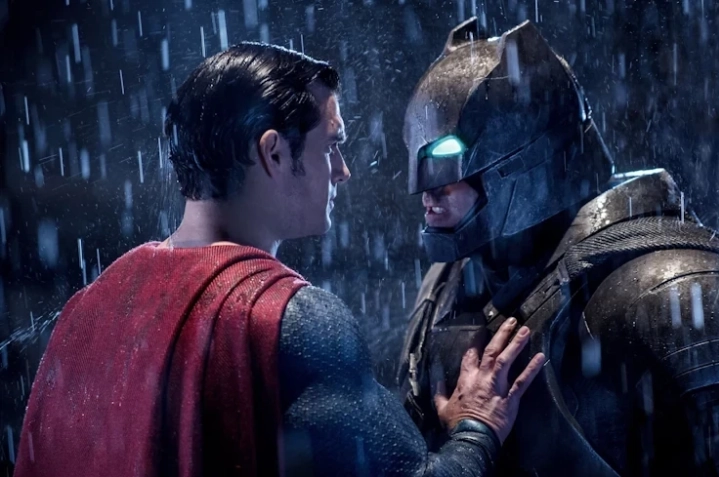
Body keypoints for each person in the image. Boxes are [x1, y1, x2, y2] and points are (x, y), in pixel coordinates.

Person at [13, 42, 545, 477]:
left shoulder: (87, 308)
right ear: (272, 153)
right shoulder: (288, 320)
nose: (342, 172)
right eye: (330, 146)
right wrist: (477, 426)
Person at [398, 18, 719, 477]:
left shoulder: (674, 293)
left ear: (521, 161)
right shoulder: (448, 289)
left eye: (446, 166)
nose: (426, 195)